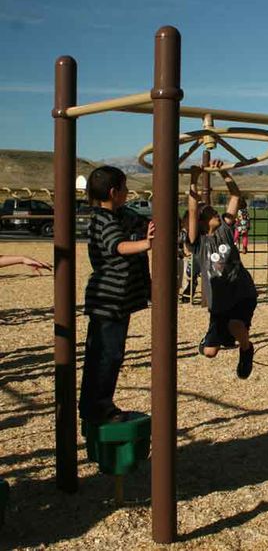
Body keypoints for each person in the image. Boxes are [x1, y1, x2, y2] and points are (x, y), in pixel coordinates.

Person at [79, 166, 155, 424]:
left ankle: (99, 403)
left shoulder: (121, 214)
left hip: (118, 302)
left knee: (111, 354)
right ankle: (96, 407)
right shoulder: (103, 219)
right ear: (114, 192)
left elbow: (143, 223)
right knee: (105, 355)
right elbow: (118, 245)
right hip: (108, 302)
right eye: (124, 188)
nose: (127, 192)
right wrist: (146, 244)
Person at [187, 161, 257, 379]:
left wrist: (222, 171)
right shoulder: (197, 241)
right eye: (208, 213)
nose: (214, 212)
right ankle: (211, 339)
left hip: (242, 291)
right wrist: (194, 178)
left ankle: (246, 349)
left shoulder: (226, 229)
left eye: (214, 210)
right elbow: (191, 207)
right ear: (200, 222)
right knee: (210, 352)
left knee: (237, 325)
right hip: (218, 299)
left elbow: (235, 196)